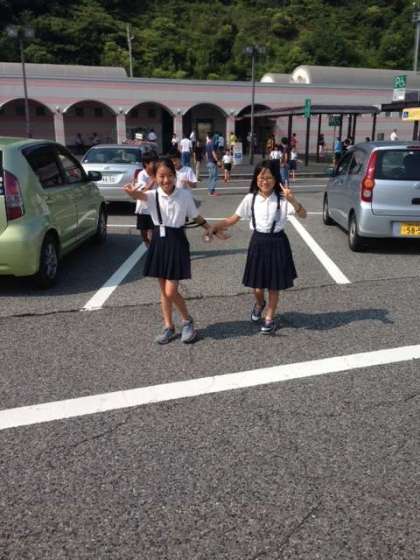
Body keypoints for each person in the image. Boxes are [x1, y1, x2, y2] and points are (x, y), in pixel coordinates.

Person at [123, 157, 214, 345]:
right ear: (154, 177)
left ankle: (187, 321)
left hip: (177, 241)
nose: (166, 180)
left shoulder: (184, 195)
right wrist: (131, 192)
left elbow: (195, 216)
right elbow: (137, 196)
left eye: (170, 175)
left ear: (175, 175)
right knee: (163, 291)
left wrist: (210, 228)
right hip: (159, 241)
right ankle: (168, 326)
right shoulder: (151, 195)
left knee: (170, 291)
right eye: (161, 176)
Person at [210, 160, 307, 334]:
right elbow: (233, 219)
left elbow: (303, 215)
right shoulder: (250, 198)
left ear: (275, 179)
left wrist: (293, 200)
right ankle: (260, 303)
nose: (265, 181)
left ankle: (269, 318)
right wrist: (215, 226)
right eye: (261, 178)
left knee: (274, 285)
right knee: (257, 287)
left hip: (278, 242)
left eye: (269, 177)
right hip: (258, 242)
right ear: (256, 179)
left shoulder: (283, 199)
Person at [134, 151, 159, 247]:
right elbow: (143, 190)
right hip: (143, 207)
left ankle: (152, 247)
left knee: (154, 229)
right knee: (143, 230)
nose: (156, 164)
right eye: (153, 162)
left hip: (155, 206)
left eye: (156, 162)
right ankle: (146, 242)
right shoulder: (142, 174)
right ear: (146, 164)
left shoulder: (158, 172)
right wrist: (153, 180)